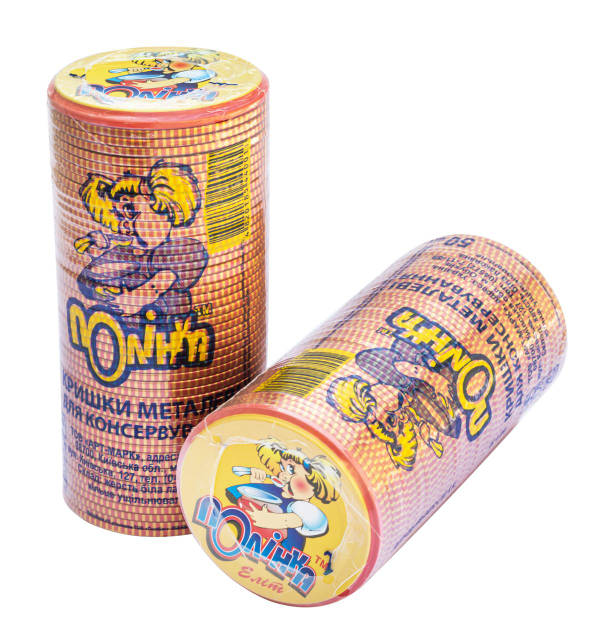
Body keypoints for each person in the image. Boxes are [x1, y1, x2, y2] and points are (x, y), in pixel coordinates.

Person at [73, 159, 208, 329]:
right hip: (122, 335)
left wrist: (144, 294)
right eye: (119, 217)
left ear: (165, 209)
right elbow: (85, 280)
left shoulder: (179, 250)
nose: (125, 225)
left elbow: (191, 258)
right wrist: (99, 283)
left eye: (132, 212)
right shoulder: (121, 253)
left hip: (171, 333)